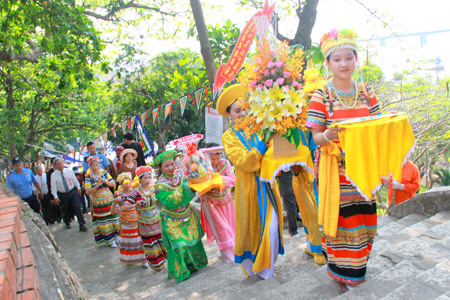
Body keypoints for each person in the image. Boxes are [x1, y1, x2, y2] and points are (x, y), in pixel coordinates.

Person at [306, 29, 380, 288]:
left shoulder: (365, 91)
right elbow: (315, 138)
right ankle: (350, 273)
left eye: (349, 58)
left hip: (364, 169)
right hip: (336, 172)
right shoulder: (321, 96)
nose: (344, 64)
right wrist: (328, 133)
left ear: (356, 59)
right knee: (344, 223)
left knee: (367, 219)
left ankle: (358, 266)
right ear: (328, 63)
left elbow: (377, 124)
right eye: (337, 59)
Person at [216, 84, 284, 279]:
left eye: (246, 107)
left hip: (269, 185)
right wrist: (264, 143)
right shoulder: (228, 137)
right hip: (248, 188)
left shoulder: (260, 125)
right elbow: (246, 162)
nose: (244, 113)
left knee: (271, 227)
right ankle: (260, 268)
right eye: (238, 110)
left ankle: (267, 267)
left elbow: (274, 153)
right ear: (229, 114)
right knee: (252, 227)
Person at [154, 151, 208, 282]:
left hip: (187, 214)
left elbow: (191, 182)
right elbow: (170, 202)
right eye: (166, 166)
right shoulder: (159, 185)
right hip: (172, 220)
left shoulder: (181, 174)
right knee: (179, 245)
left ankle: (194, 265)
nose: (171, 168)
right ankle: (181, 271)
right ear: (160, 168)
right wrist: (187, 188)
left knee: (192, 240)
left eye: (172, 164)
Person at [199, 143, 236, 264]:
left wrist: (218, 181)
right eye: (212, 159)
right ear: (206, 157)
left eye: (217, 158)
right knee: (221, 230)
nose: (215, 162)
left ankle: (235, 252)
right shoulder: (200, 167)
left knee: (230, 228)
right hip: (210, 203)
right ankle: (228, 258)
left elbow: (233, 179)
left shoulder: (225, 163)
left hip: (226, 202)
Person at [126, 166, 166, 271]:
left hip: (157, 221)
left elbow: (163, 199)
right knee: (151, 245)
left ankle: (167, 260)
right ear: (139, 179)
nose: (148, 180)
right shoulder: (135, 192)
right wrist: (135, 205)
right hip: (145, 224)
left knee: (163, 242)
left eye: (149, 177)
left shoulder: (154, 188)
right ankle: (158, 266)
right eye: (145, 178)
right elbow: (125, 206)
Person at [111, 172, 148, 268]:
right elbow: (112, 212)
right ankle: (129, 260)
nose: (127, 184)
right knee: (127, 242)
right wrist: (114, 204)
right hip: (124, 222)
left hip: (136, 219)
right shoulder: (118, 195)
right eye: (125, 182)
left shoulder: (135, 192)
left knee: (139, 240)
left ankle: (144, 260)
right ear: (121, 184)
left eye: (129, 182)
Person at [84, 156, 120, 247]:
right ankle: (110, 240)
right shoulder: (89, 177)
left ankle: (116, 235)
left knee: (114, 218)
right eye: (93, 165)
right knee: (104, 222)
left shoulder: (104, 173)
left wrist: (105, 182)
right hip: (98, 204)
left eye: (97, 164)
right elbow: (88, 191)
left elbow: (113, 183)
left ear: (99, 165)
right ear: (90, 167)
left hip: (109, 200)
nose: (95, 167)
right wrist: (97, 186)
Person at [50, 158, 88, 231]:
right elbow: (53, 187)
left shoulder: (69, 171)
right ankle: (67, 222)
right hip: (62, 194)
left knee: (77, 206)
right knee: (65, 208)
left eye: (61, 163)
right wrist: (55, 196)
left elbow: (74, 180)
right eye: (58, 165)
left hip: (72, 192)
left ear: (63, 163)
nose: (60, 166)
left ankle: (81, 224)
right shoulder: (53, 175)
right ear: (55, 166)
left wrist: (78, 187)